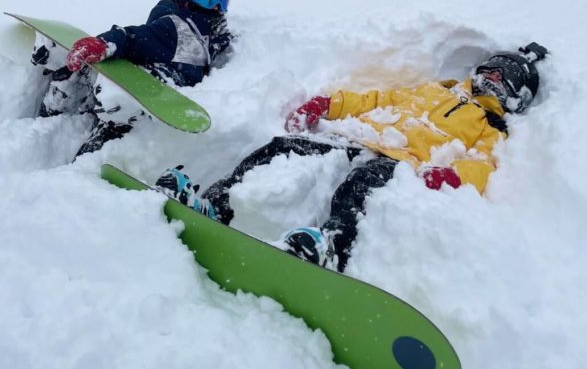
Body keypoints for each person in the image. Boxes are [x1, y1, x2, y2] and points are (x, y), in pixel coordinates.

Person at [154, 43, 548, 272]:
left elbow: (483, 164)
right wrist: (329, 105)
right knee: (280, 150)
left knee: (359, 186)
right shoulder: (437, 90)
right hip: (359, 137)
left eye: (503, 78)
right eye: (491, 69)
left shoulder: (490, 126)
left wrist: (450, 177)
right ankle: (215, 204)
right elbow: (379, 99)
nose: (491, 78)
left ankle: (331, 247)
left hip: (404, 162)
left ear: (515, 96)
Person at [32, 0, 235, 157]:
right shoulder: (175, 28)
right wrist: (103, 44)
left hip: (156, 98)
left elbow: (214, 43)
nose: (217, 7)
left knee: (115, 138)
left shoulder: (205, 29)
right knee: (113, 141)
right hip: (140, 103)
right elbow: (133, 37)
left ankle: (81, 102)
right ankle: (70, 103)